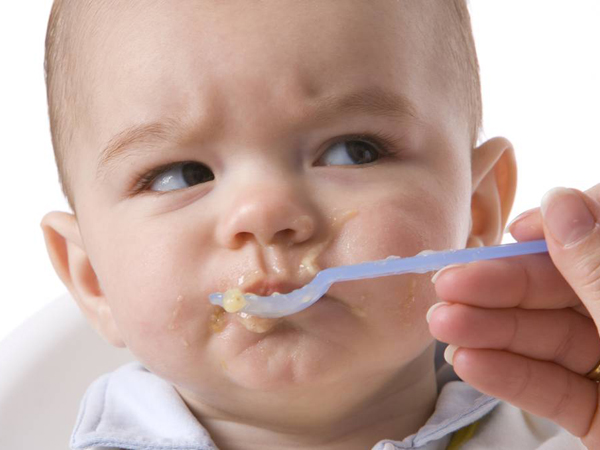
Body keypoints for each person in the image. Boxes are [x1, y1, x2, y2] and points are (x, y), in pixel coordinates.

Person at [38, 0, 597, 448]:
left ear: (475, 216)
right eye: (179, 175)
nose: (265, 214)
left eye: (353, 151)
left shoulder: (574, 424)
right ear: (92, 281)